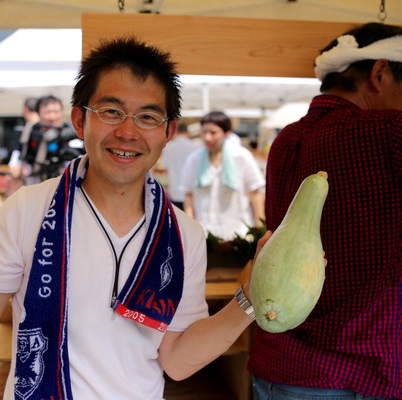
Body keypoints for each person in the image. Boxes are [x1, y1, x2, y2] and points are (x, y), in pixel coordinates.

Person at [0, 37, 271, 399]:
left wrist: (250, 298)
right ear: (79, 120)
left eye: (147, 117)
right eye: (111, 111)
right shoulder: (26, 209)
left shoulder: (183, 235)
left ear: (168, 132)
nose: (127, 132)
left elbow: (177, 360)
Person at [248, 22, 402, 400]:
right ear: (380, 74)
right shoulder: (390, 132)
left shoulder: (286, 139)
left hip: (281, 362)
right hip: (362, 366)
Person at [180, 111, 265, 240]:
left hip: (238, 233)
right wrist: (189, 225)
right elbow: (188, 194)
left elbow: (255, 192)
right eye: (204, 132)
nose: (207, 138)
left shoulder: (241, 157)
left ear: (226, 133)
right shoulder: (194, 160)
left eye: (213, 133)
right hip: (204, 233)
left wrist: (259, 226)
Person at [9, 95, 84, 185]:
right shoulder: (29, 133)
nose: (52, 117)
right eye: (48, 112)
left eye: (56, 112)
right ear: (38, 113)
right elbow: (15, 162)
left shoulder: (72, 133)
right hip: (35, 184)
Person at [160, 122, 200, 210]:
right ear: (188, 133)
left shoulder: (168, 148)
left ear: (176, 132)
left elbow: (164, 170)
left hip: (173, 191)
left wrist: (166, 188)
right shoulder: (196, 147)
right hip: (191, 192)